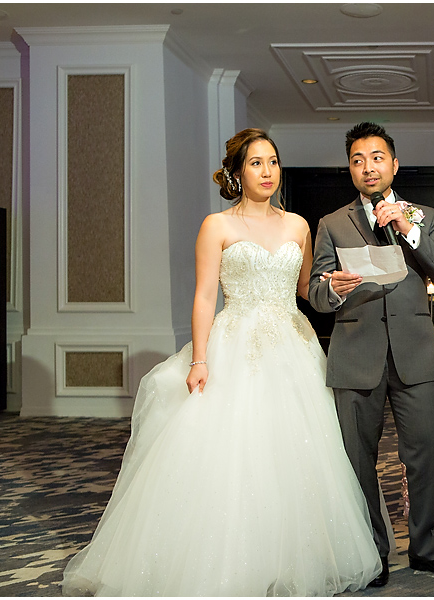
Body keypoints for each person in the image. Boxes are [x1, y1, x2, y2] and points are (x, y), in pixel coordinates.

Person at [61, 129, 381, 596]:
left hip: (293, 343)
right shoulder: (217, 226)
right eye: (256, 163)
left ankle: (293, 558)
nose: (268, 171)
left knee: (300, 451)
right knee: (238, 453)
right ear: (236, 172)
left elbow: (304, 288)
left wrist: (334, 286)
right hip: (237, 342)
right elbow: (205, 296)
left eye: (273, 162)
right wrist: (200, 358)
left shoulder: (297, 225)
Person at [308, 122, 434, 584]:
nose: (368, 167)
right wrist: (334, 289)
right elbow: (315, 294)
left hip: (414, 354)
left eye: (377, 157)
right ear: (350, 169)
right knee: (356, 460)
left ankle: (428, 549)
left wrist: (407, 229)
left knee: (425, 453)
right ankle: (372, 554)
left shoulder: (424, 215)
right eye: (358, 160)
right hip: (355, 356)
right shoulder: (331, 224)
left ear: (394, 164)